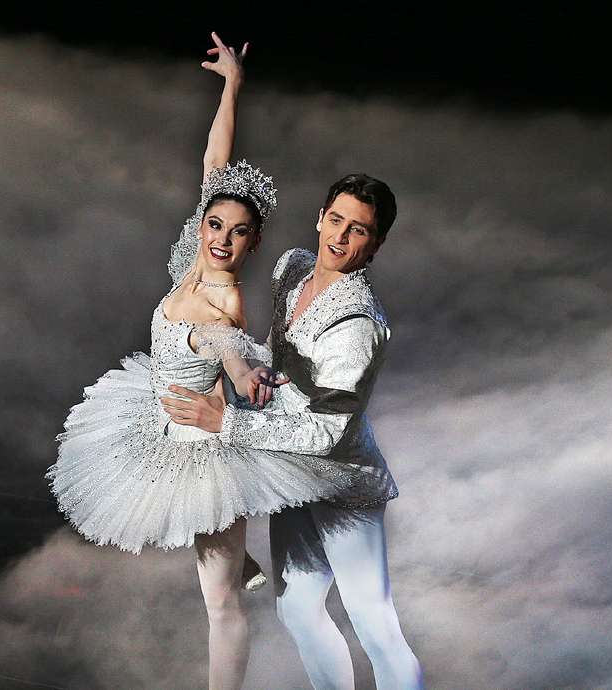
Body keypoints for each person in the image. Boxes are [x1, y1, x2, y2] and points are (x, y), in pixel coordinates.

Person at [47, 33, 362, 690]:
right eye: (213, 225)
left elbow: (230, 351)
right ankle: (239, 556)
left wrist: (246, 379)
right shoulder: (198, 256)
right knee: (215, 570)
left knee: (220, 606)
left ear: (254, 242)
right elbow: (215, 165)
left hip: (200, 444)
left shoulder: (221, 303)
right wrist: (232, 86)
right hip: (157, 413)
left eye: (235, 232)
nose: (219, 239)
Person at [163, 174, 426, 688]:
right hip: (290, 471)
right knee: (299, 611)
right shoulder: (294, 267)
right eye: (335, 220)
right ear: (320, 216)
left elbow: (328, 433)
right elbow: (277, 354)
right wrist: (249, 371)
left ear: (376, 243)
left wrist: (227, 420)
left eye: (359, 231)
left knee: (374, 623)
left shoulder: (357, 324)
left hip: (342, 481)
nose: (340, 238)